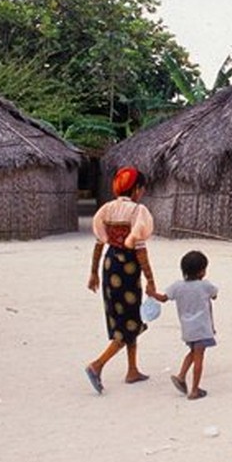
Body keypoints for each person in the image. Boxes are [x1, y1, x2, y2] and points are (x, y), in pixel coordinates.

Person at [84, 166, 159, 394]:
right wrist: (150, 280)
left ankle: (132, 370)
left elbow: (99, 243)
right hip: (127, 268)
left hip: (109, 266)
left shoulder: (106, 209)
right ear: (136, 189)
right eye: (142, 188)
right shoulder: (138, 212)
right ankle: (97, 365)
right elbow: (140, 250)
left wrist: (94, 272)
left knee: (126, 317)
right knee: (128, 322)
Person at [162, 250, 219, 400]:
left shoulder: (177, 286)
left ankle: (181, 376)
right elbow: (215, 294)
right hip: (202, 329)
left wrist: (151, 293)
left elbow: (163, 298)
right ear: (202, 271)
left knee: (193, 353)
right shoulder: (205, 286)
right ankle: (194, 390)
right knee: (199, 358)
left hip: (188, 330)